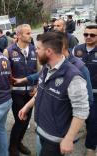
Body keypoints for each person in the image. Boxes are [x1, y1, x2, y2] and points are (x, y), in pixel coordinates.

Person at [19, 32, 89, 156]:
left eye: (38, 48)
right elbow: (41, 91)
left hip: (56, 139)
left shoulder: (73, 77)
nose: (35, 51)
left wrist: (69, 138)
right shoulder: (46, 67)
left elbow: (82, 111)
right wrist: (27, 106)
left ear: (49, 51)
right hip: (42, 131)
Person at [3, 24, 38, 156]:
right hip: (16, 92)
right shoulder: (9, 51)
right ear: (18, 35)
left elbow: (39, 71)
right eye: (28, 33)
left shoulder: (35, 50)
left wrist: (36, 87)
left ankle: (19, 142)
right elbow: (5, 74)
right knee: (20, 120)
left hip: (31, 93)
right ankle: (12, 147)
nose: (31, 35)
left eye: (30, 32)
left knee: (27, 120)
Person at [73, 25, 97, 156]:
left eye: (92, 35)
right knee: (81, 116)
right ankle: (88, 131)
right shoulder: (77, 49)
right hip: (77, 91)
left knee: (93, 119)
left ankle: (91, 147)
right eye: (86, 34)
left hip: (95, 92)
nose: (88, 37)